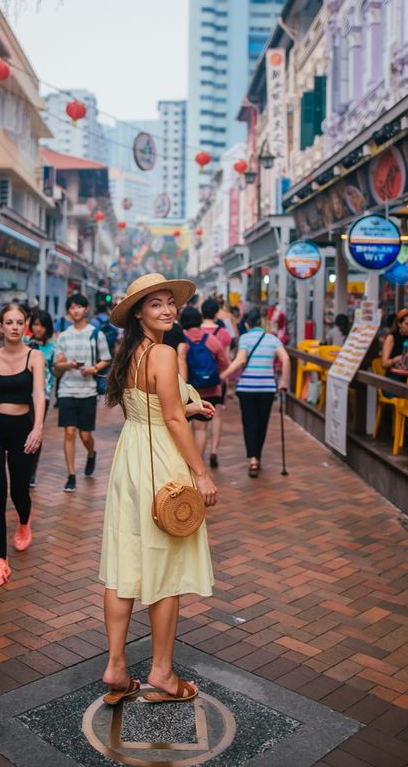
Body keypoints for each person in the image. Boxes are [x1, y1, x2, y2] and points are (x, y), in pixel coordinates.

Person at [99, 273, 218, 705]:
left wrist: (187, 406)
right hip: (159, 463)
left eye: (170, 302)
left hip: (130, 459)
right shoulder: (165, 353)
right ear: (138, 313)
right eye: (156, 304)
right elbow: (169, 420)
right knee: (165, 566)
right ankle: (162, 672)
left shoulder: (129, 350)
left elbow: (153, 407)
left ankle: (115, 666)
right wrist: (201, 472)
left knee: (123, 560)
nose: (168, 310)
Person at [0, 305, 46, 588]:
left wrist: (37, 428)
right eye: (8, 322)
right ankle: (0, 562)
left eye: (19, 322)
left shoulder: (34, 357)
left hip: (22, 430)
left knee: (18, 491)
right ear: (0, 327)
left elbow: (39, 394)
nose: (14, 327)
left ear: (25, 326)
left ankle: (25, 522)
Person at [220, 307, 290, 477]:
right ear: (261, 323)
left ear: (246, 323)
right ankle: (257, 455)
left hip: (247, 389)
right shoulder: (272, 339)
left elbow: (241, 359)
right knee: (262, 423)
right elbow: (286, 358)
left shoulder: (245, 338)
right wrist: (284, 383)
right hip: (267, 389)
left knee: (250, 423)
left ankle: (253, 459)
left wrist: (223, 375)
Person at [53, 293, 111, 492]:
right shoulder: (63, 336)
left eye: (79, 307)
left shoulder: (96, 334)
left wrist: (94, 369)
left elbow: (106, 359)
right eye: (71, 308)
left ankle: (91, 453)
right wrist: (66, 364)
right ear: (68, 312)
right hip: (67, 390)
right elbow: (56, 368)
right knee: (69, 432)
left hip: (88, 391)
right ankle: (71, 475)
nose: (75, 310)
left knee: (85, 435)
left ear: (86, 309)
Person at [177, 306, 229, 464]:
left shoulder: (181, 340)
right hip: (210, 390)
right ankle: (198, 463)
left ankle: (186, 462)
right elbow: (223, 363)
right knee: (201, 429)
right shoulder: (211, 340)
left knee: (184, 428)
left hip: (187, 391)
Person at [26, 308, 56, 487]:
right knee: (22, 430)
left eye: (42, 325)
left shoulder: (53, 348)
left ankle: (32, 470)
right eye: (35, 324)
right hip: (22, 393)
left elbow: (54, 370)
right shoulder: (23, 343)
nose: (38, 329)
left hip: (42, 395)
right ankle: (22, 466)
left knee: (36, 430)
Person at [381, 309, 408, 390]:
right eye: (407, 324)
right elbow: (384, 364)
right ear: (399, 324)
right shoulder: (391, 337)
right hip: (394, 379)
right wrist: (397, 358)